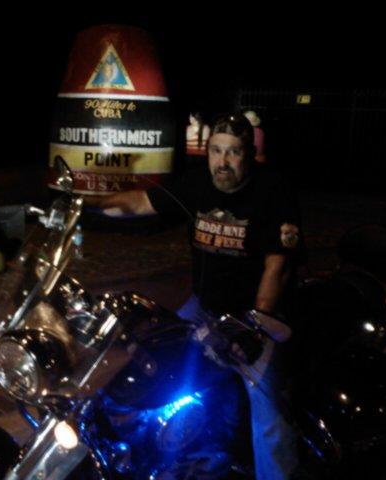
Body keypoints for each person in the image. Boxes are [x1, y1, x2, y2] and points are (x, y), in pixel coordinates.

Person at [88, 112, 302, 479]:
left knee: (267, 411)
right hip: (204, 306)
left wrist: (254, 324)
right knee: (155, 355)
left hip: (252, 316)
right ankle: (168, 448)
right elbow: (140, 202)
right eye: (216, 151)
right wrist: (87, 205)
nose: (223, 161)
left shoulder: (273, 191)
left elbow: (277, 266)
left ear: (249, 154)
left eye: (233, 152)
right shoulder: (197, 183)